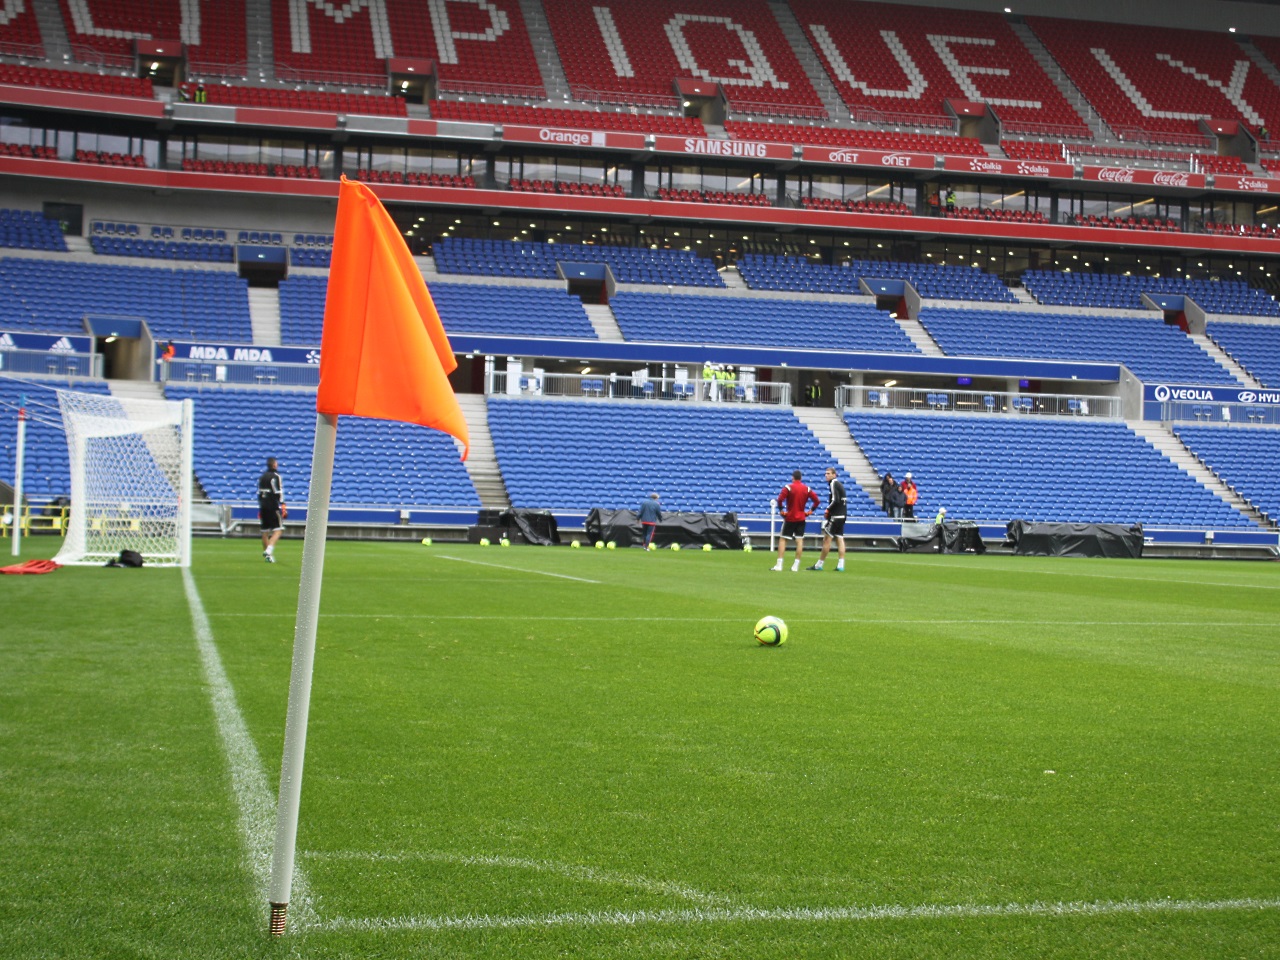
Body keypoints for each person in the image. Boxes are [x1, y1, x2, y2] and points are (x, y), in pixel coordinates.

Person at [772, 470, 819, 572]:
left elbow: (780, 499)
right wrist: (810, 511)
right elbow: (817, 501)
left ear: (792, 478)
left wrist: (781, 510)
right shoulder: (807, 488)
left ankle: (779, 565)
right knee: (799, 541)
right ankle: (795, 566)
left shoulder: (788, 487)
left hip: (790, 517)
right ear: (801, 478)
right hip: (801, 518)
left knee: (783, 540)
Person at [807, 466, 846, 572]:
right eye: (826, 473)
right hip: (842, 516)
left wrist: (827, 510)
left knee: (826, 539)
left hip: (835, 516)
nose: (826, 475)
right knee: (840, 539)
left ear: (834, 475)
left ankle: (819, 564)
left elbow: (835, 500)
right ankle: (841, 565)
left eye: (828, 473)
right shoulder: (840, 484)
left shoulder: (833, 483)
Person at [257, 456, 285, 563]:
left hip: (263, 506)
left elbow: (259, 493)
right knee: (278, 529)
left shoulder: (262, 477)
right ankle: (269, 550)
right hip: (272, 506)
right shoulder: (276, 476)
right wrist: (282, 504)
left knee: (265, 532)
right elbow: (278, 492)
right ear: (274, 465)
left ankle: (268, 557)